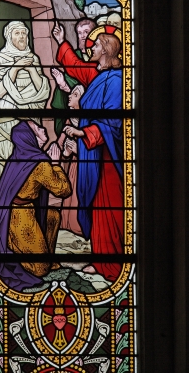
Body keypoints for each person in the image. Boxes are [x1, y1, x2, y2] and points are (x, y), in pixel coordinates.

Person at [52, 23, 124, 281]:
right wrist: (62, 43)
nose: (90, 47)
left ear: (105, 49)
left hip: (107, 159)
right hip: (93, 157)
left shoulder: (115, 80)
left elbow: (114, 121)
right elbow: (74, 65)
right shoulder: (99, 76)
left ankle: (113, 264)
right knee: (95, 205)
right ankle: (102, 260)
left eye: (94, 44)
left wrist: (85, 133)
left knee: (109, 207)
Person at [0, 120, 72, 290]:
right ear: (31, 137)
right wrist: (56, 164)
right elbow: (62, 190)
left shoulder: (21, 157)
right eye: (37, 128)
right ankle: (30, 261)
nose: (42, 128)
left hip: (12, 215)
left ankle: (46, 259)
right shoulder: (40, 164)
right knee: (39, 270)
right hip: (21, 218)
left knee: (52, 215)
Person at [0, 21, 50, 178]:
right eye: (17, 33)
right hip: (5, 126)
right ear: (8, 36)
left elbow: (43, 91)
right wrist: (15, 68)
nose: (22, 37)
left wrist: (31, 70)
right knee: (5, 167)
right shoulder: (0, 59)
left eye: (24, 33)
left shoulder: (33, 58)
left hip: (30, 123)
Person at [51, 18, 95, 136]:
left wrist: (65, 86)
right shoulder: (74, 55)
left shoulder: (100, 62)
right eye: (79, 33)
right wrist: (63, 86)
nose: (83, 36)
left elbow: (76, 67)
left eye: (86, 32)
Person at [56, 84, 85, 235]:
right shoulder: (70, 121)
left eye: (75, 94)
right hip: (73, 166)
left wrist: (79, 151)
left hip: (86, 168)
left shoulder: (89, 122)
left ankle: (78, 227)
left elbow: (100, 150)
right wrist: (66, 153)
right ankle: (67, 224)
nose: (70, 96)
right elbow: (60, 146)